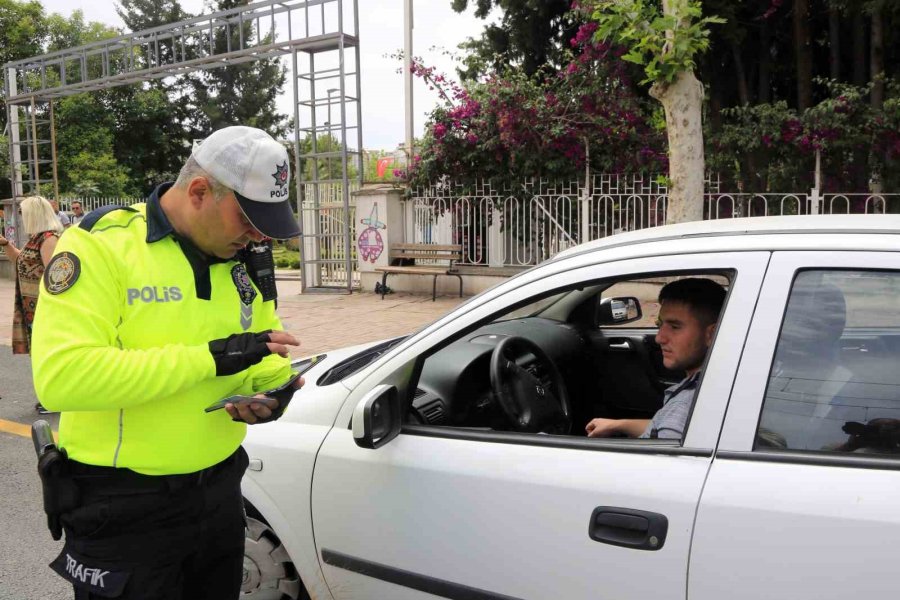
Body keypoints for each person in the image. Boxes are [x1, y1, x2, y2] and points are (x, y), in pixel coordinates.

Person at [30, 126, 304, 600]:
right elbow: (63, 377)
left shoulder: (242, 260)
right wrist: (208, 360)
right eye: (248, 218)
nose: (258, 234)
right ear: (199, 191)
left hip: (219, 493)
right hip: (124, 507)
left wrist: (274, 393)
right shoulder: (100, 245)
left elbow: (263, 357)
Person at [585, 278, 726, 440]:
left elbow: (665, 456)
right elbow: (661, 425)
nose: (659, 338)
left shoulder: (684, 407)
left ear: (712, 334)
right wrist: (617, 424)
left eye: (675, 327)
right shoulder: (710, 384)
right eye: (660, 326)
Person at [0, 196, 64, 414]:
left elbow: (54, 277)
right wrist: (6, 244)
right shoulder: (36, 238)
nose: (21, 217)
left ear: (34, 214)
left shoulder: (49, 240)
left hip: (44, 309)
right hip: (31, 308)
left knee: (48, 355)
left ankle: (55, 397)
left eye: (22, 212)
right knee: (39, 355)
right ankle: (49, 396)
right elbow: (20, 261)